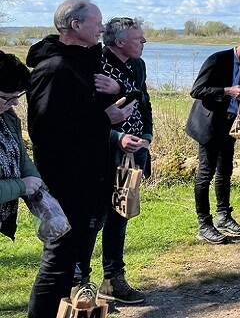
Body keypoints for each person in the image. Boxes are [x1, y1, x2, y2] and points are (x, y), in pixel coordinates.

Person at [26, 0, 135, 318]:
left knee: (74, 263)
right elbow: (45, 131)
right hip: (66, 182)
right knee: (58, 263)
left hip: (92, 177)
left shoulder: (87, 60)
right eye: (96, 22)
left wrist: (117, 88)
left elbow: (100, 104)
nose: (102, 27)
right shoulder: (54, 67)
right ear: (75, 25)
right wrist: (106, 119)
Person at [77, 17, 153, 304]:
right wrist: (115, 137)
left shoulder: (138, 65)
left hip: (134, 151)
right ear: (120, 42)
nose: (144, 42)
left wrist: (147, 134)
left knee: (122, 212)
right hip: (102, 151)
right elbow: (88, 115)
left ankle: (113, 279)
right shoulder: (95, 63)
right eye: (139, 38)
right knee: (94, 217)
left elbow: (143, 100)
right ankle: (80, 282)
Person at [186, 33, 240, 244]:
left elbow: (235, 92)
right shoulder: (217, 59)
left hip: (229, 125)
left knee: (225, 172)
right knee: (205, 174)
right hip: (208, 126)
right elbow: (196, 90)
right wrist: (228, 90)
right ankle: (204, 224)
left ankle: (223, 216)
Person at [0, 51, 43, 241]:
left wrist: (38, 188)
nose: (15, 103)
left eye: (18, 96)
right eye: (8, 97)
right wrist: (21, 186)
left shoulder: (6, 117)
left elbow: (20, 158)